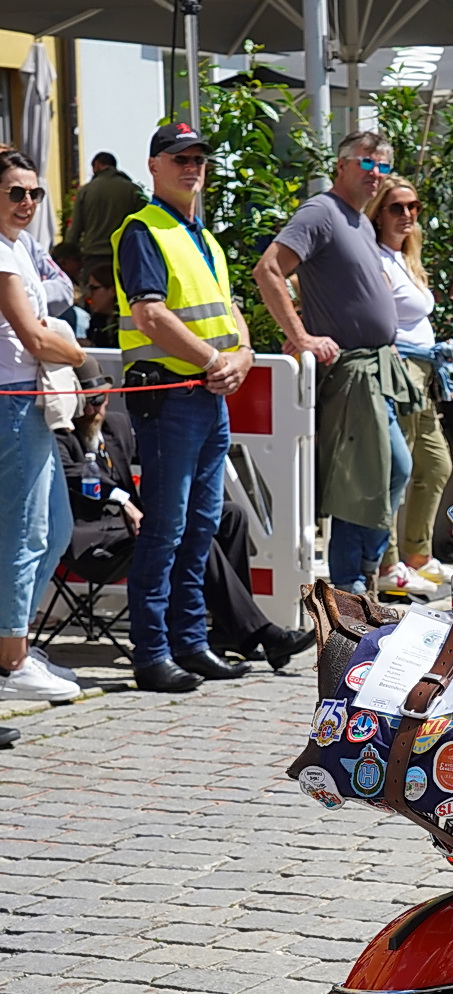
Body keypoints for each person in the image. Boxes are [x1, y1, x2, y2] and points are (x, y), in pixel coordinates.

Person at [111, 121, 255, 693]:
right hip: (171, 397)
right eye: (179, 158)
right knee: (166, 529)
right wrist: (214, 362)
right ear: (154, 166)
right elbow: (149, 314)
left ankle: (191, 642)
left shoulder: (201, 234)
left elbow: (228, 309)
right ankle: (152, 653)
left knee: (200, 527)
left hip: (204, 396)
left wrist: (242, 354)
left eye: (197, 158)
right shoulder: (143, 229)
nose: (191, 166)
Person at [253, 131, 420, 600]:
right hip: (353, 374)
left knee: (391, 471)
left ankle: (363, 572)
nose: (376, 174)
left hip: (376, 368)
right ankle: (349, 583)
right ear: (341, 165)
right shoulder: (320, 212)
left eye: (384, 166)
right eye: (368, 163)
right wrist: (302, 335)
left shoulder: (361, 222)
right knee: (360, 479)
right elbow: (269, 269)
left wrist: (304, 324)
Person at [55, 390, 314, 669]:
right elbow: (72, 476)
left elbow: (160, 455)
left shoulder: (115, 425)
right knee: (191, 534)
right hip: (94, 538)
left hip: (136, 525)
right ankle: (261, 633)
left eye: (99, 400)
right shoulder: (59, 433)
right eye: (86, 402)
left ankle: (228, 632)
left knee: (230, 516)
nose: (92, 410)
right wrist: (123, 499)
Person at [0, 148, 85, 704]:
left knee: (53, 528)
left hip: (28, 402)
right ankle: (12, 660)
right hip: (10, 401)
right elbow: (33, 336)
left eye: (35, 193)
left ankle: (14, 642)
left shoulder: (21, 247)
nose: (27, 202)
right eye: (15, 193)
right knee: (24, 532)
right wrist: (75, 353)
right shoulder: (2, 254)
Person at [366, 174, 453, 592]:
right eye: (396, 207)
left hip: (424, 371)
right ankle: (388, 565)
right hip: (401, 371)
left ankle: (416, 555)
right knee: (396, 470)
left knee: (435, 465)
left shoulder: (406, 257)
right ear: (378, 214)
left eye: (413, 207)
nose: (407, 215)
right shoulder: (376, 258)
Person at [67, 153, 146, 278]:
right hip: (125, 257)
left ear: (97, 166)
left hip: (94, 258)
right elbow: (144, 226)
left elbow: (75, 229)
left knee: (93, 295)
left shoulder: (85, 191)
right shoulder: (133, 190)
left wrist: (67, 255)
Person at [80, 264, 118, 348]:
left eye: (94, 288)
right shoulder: (97, 320)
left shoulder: (127, 321)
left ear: (112, 290)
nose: (89, 295)